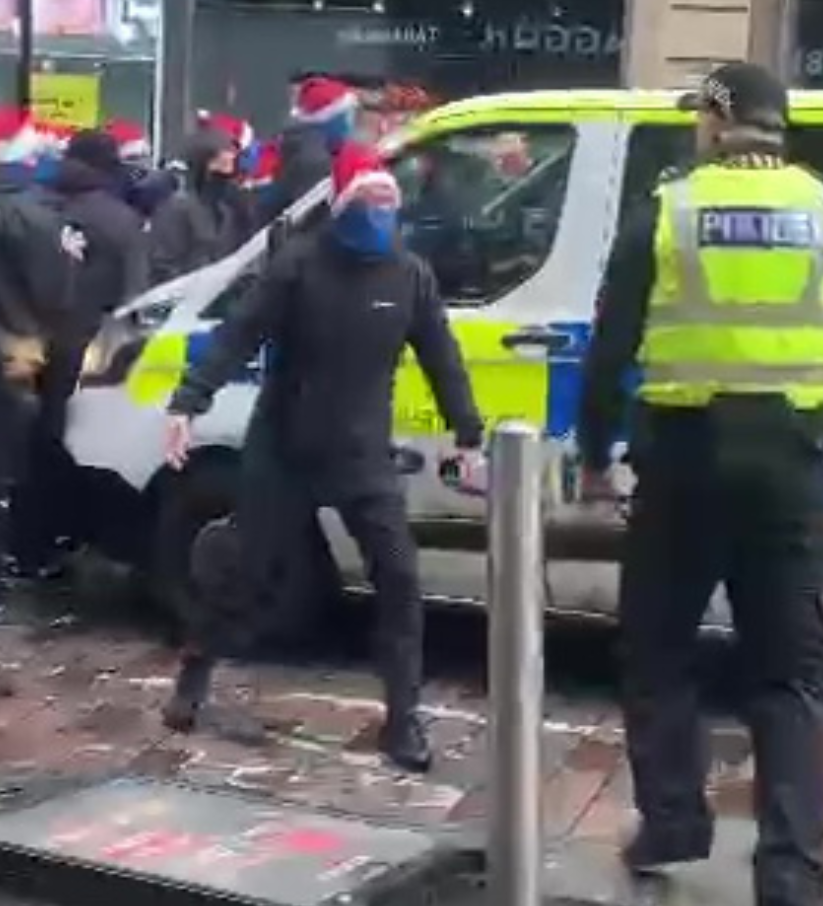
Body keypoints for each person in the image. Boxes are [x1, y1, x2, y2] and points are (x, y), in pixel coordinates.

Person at [575, 62, 823, 906]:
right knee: (792, 677)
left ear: (719, 120)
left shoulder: (669, 209)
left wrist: (592, 455)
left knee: (655, 649)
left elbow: (609, 350)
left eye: (700, 115)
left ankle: (677, 822)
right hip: (791, 475)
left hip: (683, 469)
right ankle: (792, 888)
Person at [157, 143, 484, 773]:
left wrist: (467, 434)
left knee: (399, 578)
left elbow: (444, 359)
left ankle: (403, 719)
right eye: (367, 198)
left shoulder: (409, 274)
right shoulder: (298, 267)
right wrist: (187, 403)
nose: (379, 209)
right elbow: (237, 334)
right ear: (340, 203)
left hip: (361, 456)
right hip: (284, 447)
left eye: (389, 199)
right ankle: (196, 669)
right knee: (245, 573)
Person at [12, 129, 151, 578]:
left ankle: (29, 545)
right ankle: (73, 536)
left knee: (35, 447)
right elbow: (136, 298)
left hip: (30, 341)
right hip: (94, 350)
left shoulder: (36, 208)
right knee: (80, 445)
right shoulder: (121, 220)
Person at [0, 111, 76, 602]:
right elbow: (56, 291)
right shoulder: (31, 215)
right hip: (17, 347)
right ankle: (21, 554)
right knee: (15, 457)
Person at [149, 125, 248, 285]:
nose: (232, 158)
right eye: (222, 159)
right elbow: (163, 264)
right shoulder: (177, 208)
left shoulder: (225, 210)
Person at [259, 76, 359, 223]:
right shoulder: (314, 160)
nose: (352, 122)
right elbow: (310, 218)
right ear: (331, 119)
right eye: (348, 115)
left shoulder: (303, 144)